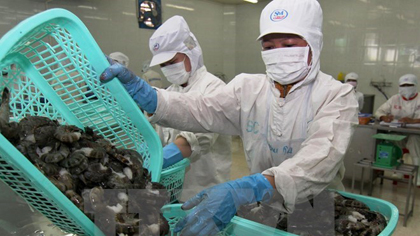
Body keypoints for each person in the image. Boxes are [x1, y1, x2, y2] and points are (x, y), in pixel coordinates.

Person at [100, 0, 358, 235]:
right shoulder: (248, 88)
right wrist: (152, 97)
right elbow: (201, 109)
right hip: (264, 210)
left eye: (289, 45)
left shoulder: (337, 95)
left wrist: (249, 187)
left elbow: (320, 158)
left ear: (314, 43)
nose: (278, 53)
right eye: (269, 47)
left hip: (319, 210)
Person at [148, 15, 232, 201]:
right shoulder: (169, 92)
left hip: (206, 190)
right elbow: (158, 137)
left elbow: (195, 139)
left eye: (172, 61)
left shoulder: (215, 88)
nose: (168, 68)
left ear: (191, 51)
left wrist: (155, 162)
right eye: (164, 65)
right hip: (172, 189)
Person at [375, 74, 420, 186]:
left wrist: (413, 121)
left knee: (414, 141)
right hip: (398, 132)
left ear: (415, 86)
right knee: (392, 140)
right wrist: (383, 117)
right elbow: (378, 111)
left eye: (409, 85)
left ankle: (418, 174)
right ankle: (398, 170)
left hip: (415, 135)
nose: (406, 88)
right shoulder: (395, 99)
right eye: (403, 85)